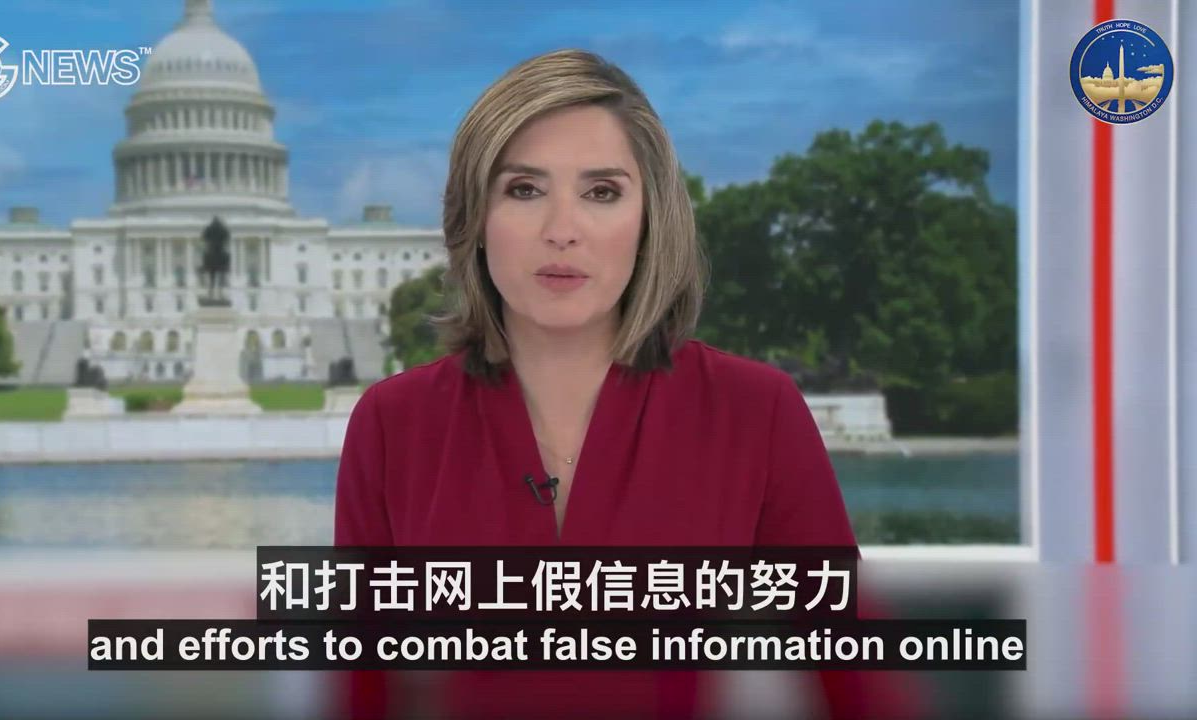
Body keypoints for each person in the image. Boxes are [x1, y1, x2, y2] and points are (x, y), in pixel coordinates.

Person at [335, 48, 915, 720]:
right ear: (475, 218)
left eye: (602, 193)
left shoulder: (754, 413)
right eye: (524, 189)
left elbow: (858, 679)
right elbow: (362, 690)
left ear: (648, 221)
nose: (562, 232)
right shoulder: (393, 423)